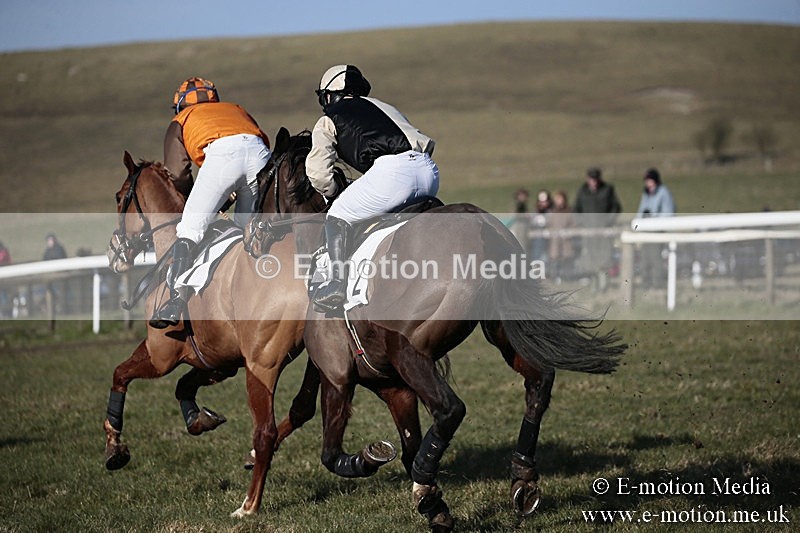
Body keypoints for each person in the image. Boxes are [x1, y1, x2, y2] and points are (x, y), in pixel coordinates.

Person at [306, 65, 438, 310]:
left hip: (393, 173)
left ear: (330, 95)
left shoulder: (329, 118)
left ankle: (336, 283)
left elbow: (318, 172)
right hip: (428, 170)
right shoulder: (384, 106)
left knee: (338, 214)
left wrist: (333, 191)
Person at [150, 77, 272, 328]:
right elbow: (256, 144)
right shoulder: (236, 108)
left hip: (223, 157)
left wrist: (195, 200)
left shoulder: (181, 120)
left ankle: (175, 299)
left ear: (179, 105)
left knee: (189, 229)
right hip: (261, 155)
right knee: (243, 231)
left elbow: (178, 172)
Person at [573, 167, 621, 292]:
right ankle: (594, 285)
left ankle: (604, 285)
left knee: (604, 258)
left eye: (595, 179)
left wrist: (608, 221)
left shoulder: (607, 189)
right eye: (591, 179)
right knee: (590, 258)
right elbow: (576, 209)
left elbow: (616, 207)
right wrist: (582, 222)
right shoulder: (583, 191)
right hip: (589, 232)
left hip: (603, 232)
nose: (593, 181)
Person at [636, 167, 676, 287]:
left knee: (655, 257)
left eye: (650, 180)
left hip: (657, 230)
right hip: (646, 231)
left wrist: (654, 220)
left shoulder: (663, 192)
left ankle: (658, 283)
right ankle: (646, 282)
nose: (648, 183)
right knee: (644, 257)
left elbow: (669, 212)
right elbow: (641, 211)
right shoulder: (646, 194)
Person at [547, 191, 575, 282]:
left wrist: (568, 232)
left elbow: (573, 224)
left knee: (567, 258)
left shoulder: (569, 212)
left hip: (566, 239)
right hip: (555, 239)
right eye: (557, 199)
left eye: (560, 199)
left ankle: (567, 277)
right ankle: (554, 276)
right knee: (554, 258)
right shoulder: (552, 212)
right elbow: (549, 224)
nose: (559, 201)